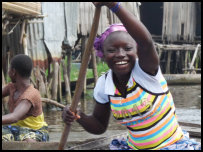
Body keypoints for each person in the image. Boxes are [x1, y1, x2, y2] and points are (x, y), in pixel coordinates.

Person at [62, 2, 201, 150]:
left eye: (127, 48)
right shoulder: (104, 84)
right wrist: (78, 116)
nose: (121, 54)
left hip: (173, 146)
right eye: (112, 50)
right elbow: (99, 125)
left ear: (137, 51)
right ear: (103, 55)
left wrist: (114, 5)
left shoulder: (146, 71)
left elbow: (146, 42)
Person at [2, 54, 49, 142]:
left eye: (9, 69)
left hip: (36, 131)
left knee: (27, 140)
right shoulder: (11, 87)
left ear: (13, 72)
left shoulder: (31, 95)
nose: (8, 72)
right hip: (16, 129)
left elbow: (14, 117)